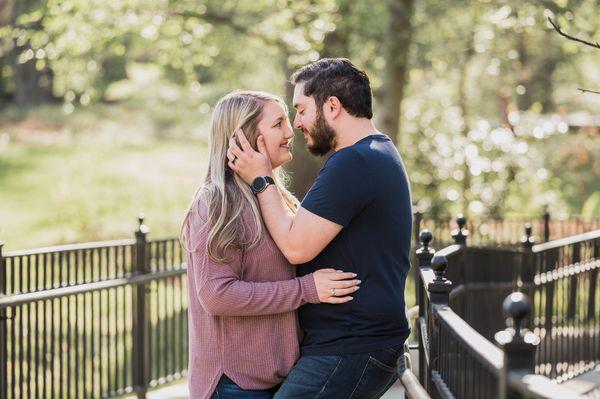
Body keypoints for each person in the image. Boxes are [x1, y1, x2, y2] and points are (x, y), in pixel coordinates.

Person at [228, 58, 413, 398]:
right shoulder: (375, 152)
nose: (297, 123)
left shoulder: (354, 162)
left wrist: (260, 180)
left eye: (300, 109)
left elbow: (296, 246)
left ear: (331, 106)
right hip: (355, 343)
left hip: (350, 347)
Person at [181, 90, 361, 399]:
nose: (291, 132)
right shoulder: (217, 203)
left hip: (279, 377)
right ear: (246, 136)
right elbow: (216, 295)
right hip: (234, 385)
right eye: (278, 123)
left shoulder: (276, 198)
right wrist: (306, 290)